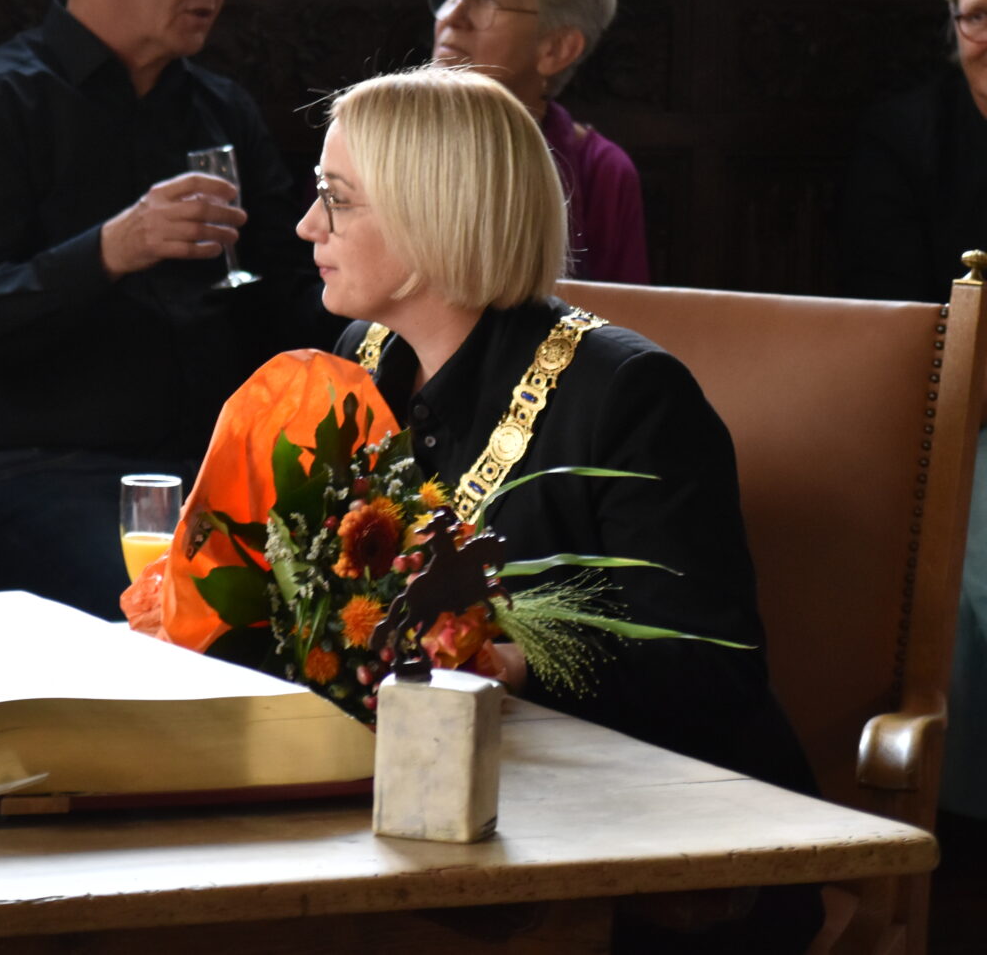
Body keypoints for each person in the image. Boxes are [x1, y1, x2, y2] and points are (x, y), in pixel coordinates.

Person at [302, 66, 816, 951]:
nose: (308, 225)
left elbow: (709, 671)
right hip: (439, 814)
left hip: (650, 840)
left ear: (432, 214)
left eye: (336, 200)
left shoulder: (632, 395)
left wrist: (513, 664)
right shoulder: (365, 351)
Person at [0, 0, 338, 621]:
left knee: (361, 592)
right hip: (42, 471)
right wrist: (113, 249)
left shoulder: (223, 109)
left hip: (217, 473)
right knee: (201, 607)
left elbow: (290, 301)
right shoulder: (2, 100)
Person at [840, 0, 987, 825]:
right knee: (972, 596)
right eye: (978, 19)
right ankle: (965, 824)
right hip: (954, 420)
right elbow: (891, 312)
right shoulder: (905, 134)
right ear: (953, 27)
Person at [429, 0, 648, 283]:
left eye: (483, 1)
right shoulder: (370, 139)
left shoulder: (602, 172)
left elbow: (623, 323)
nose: (453, 17)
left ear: (557, 49)